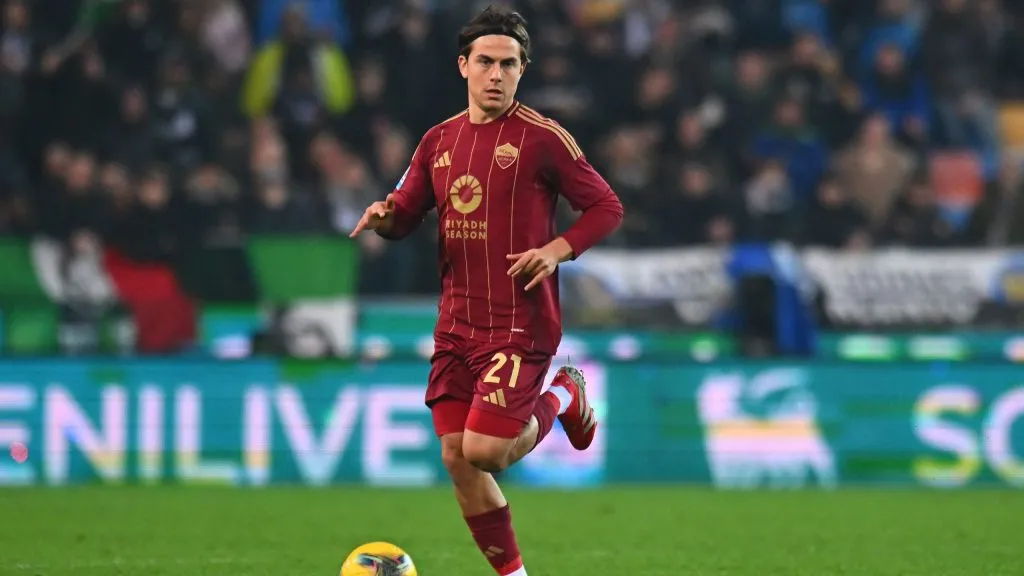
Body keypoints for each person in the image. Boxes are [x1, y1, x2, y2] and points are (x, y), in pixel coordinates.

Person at [350, 5, 623, 576]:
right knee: (457, 457)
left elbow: (606, 207)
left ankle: (565, 396)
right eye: (485, 62)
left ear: (523, 70)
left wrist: (555, 250)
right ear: (463, 66)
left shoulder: (543, 139)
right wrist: (384, 217)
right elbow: (406, 211)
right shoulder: (437, 141)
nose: (495, 74)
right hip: (455, 324)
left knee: (485, 451)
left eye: (508, 64)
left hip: (519, 324)